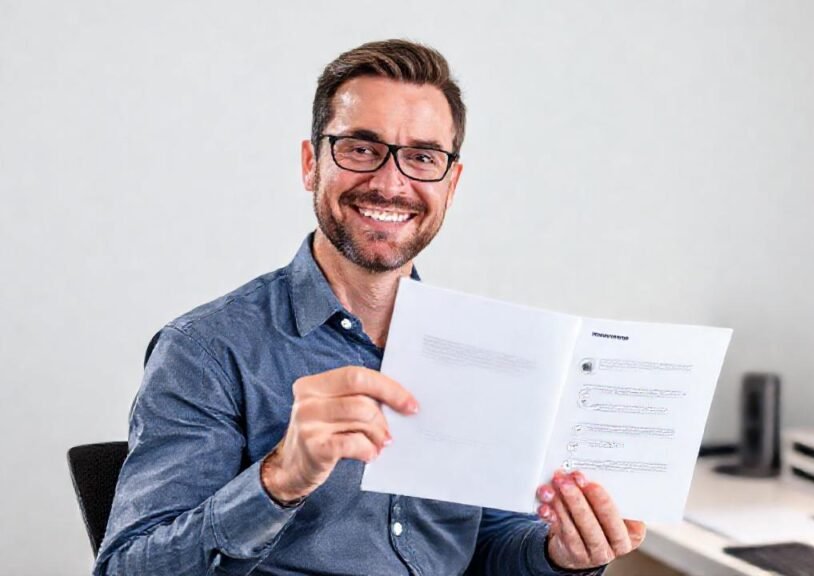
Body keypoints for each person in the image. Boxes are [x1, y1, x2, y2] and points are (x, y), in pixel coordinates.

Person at [94, 39, 646, 575]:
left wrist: (557, 556)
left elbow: (488, 545)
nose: (390, 183)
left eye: (422, 157)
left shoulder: (482, 350)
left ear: (451, 185)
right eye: (360, 148)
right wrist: (277, 481)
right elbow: (126, 568)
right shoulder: (206, 351)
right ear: (312, 164)